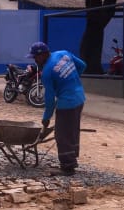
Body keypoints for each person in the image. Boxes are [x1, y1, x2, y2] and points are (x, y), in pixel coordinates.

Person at [26, 42, 86, 176]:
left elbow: (49, 99)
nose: (35, 60)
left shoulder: (47, 72)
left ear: (43, 54)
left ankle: (67, 167)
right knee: (72, 130)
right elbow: (82, 66)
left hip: (67, 103)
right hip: (79, 97)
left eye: (36, 57)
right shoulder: (63, 53)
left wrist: (46, 119)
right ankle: (72, 158)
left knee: (61, 134)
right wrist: (71, 80)